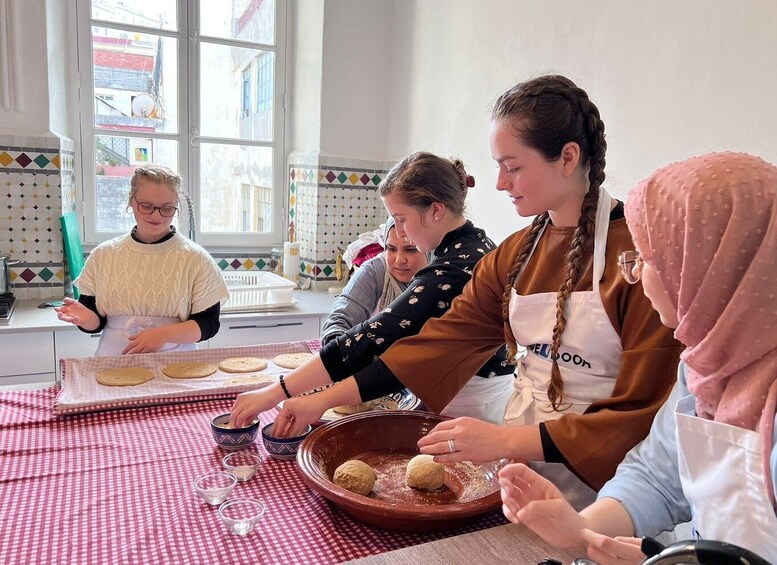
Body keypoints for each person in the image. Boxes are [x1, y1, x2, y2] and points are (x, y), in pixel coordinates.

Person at [243, 74, 682, 510]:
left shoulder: (640, 259)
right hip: (519, 471)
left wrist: (505, 438)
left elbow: (641, 410)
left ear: (568, 157)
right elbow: (436, 343)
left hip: (607, 490)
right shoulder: (516, 255)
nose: (499, 183)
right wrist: (318, 400)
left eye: (512, 167)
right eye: (498, 167)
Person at [499, 152, 777, 563]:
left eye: (647, 259)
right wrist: (583, 526)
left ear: (713, 266)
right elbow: (658, 476)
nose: (635, 274)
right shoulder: (701, 367)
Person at [231, 151, 516, 425]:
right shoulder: (470, 246)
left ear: (436, 211)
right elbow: (400, 359)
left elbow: (371, 340)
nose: (399, 229)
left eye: (401, 219)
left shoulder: (454, 269)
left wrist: (276, 392)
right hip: (463, 396)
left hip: (474, 406)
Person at [54, 165, 229, 357]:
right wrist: (86, 319)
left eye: (167, 208)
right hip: (113, 361)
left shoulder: (196, 259)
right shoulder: (104, 255)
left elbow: (209, 323)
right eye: (146, 206)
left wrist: (164, 334)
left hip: (178, 365)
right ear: (131, 201)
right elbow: (97, 324)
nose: (156, 215)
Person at [320, 217, 428, 345]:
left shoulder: (443, 276)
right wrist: (338, 350)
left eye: (410, 249)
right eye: (391, 248)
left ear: (429, 249)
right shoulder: (374, 272)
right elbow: (339, 321)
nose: (399, 260)